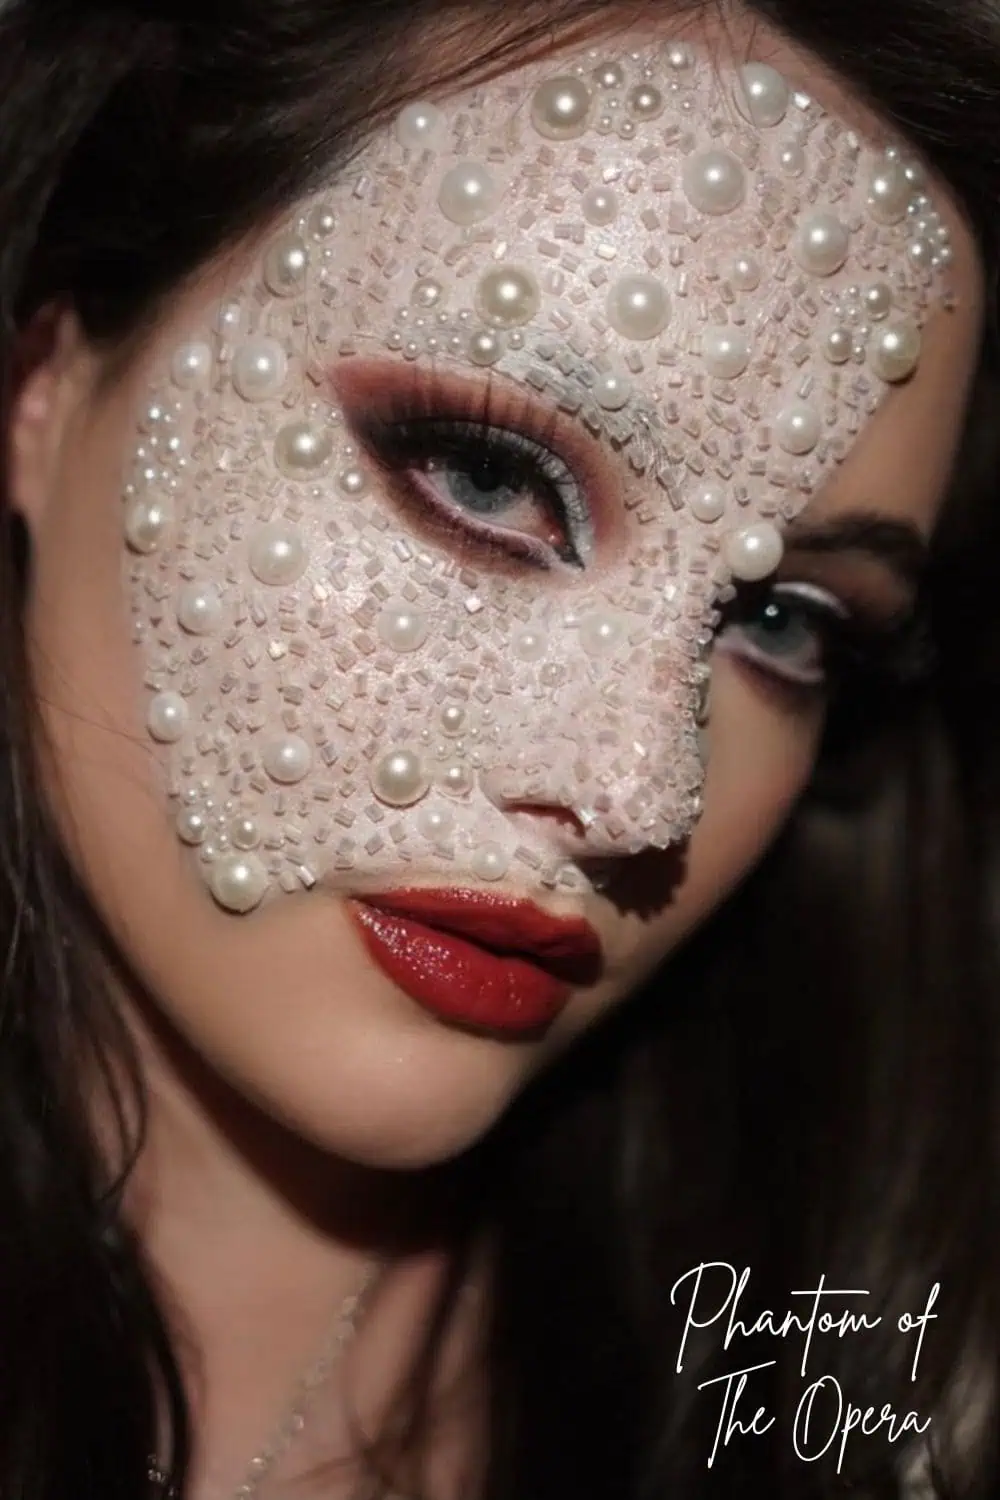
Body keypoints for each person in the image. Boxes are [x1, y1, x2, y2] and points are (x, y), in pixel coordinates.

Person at [0, 0, 997, 1495]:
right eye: (484, 474)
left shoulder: (859, 1403)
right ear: (42, 378)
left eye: (783, 620)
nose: (632, 792)